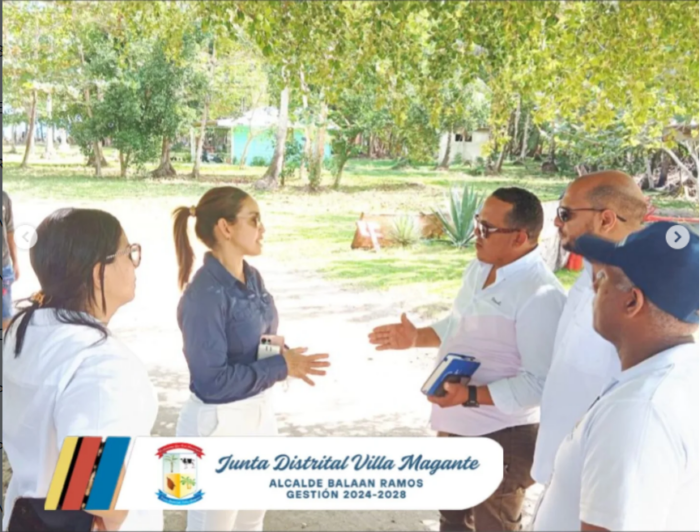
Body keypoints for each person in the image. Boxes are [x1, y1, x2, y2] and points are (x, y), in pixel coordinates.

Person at [369, 187, 567, 532]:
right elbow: (459, 324)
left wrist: (471, 395)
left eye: (487, 229)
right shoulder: (479, 269)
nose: (476, 234)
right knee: (453, 522)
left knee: (492, 526)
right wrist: (416, 337)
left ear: (520, 237)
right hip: (457, 425)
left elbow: (540, 383)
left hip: (504, 435)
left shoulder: (540, 294)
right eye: (478, 223)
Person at [172, 186, 330, 532]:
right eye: (254, 220)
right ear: (225, 227)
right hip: (217, 425)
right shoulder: (204, 296)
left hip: (258, 414)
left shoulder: (252, 276)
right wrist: (281, 366)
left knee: (251, 522)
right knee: (213, 527)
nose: (263, 228)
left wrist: (284, 357)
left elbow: (261, 340)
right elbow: (211, 382)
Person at [2, 208, 162, 532]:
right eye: (129, 252)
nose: (134, 263)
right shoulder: (100, 363)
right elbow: (92, 484)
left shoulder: (24, 330)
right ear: (98, 271)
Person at [533, 221, 698, 531]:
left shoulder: (638, 410)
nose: (594, 287)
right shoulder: (679, 375)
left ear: (632, 301)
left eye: (604, 277)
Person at [531, 171, 649, 488]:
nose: (556, 222)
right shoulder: (589, 275)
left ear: (605, 219)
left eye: (566, 213)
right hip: (556, 468)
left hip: (594, 482)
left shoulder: (641, 296)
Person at [3, 190, 20, 330]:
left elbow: (10, 231)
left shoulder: (3, 198)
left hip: (3, 266)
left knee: (5, 313)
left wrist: (15, 261)